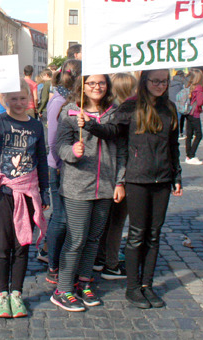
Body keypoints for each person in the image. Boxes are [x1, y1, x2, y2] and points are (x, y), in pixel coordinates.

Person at [84, 69, 182, 310]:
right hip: (137, 178)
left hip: (163, 178)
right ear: (144, 81)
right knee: (137, 234)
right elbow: (113, 132)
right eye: (155, 80)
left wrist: (177, 174)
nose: (159, 85)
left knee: (154, 234)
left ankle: (147, 285)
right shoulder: (130, 106)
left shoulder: (169, 107)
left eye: (163, 81)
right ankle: (133, 287)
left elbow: (173, 145)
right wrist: (90, 125)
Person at [0, 80, 49, 318]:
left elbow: (41, 160)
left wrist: (45, 190)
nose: (18, 103)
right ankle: (1, 295)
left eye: (22, 98)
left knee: (22, 245)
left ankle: (17, 294)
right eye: (13, 99)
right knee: (3, 245)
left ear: (29, 99)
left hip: (27, 192)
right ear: (6, 101)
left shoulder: (36, 126)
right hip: (4, 193)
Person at [50, 74, 124, 312]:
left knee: (93, 238)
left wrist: (120, 182)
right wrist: (72, 150)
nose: (96, 87)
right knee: (77, 238)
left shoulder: (115, 112)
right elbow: (58, 146)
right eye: (91, 83)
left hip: (105, 185)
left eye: (101, 83)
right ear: (82, 86)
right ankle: (63, 289)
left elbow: (121, 149)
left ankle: (84, 281)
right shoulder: (70, 112)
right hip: (77, 186)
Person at [42, 59, 81, 284]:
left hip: (68, 165)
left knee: (65, 216)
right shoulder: (59, 101)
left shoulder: (70, 99)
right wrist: (57, 166)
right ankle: (53, 263)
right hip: (57, 165)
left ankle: (52, 253)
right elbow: (53, 140)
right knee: (61, 217)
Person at [95, 72, 136, 279]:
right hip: (122, 174)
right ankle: (111, 263)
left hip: (108, 172)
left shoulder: (109, 112)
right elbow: (124, 149)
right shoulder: (124, 114)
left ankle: (99, 258)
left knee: (106, 221)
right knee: (117, 222)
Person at [183, 69, 203, 165]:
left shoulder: (189, 86)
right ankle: (192, 154)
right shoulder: (199, 87)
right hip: (195, 112)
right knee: (199, 134)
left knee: (189, 135)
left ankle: (188, 155)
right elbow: (200, 102)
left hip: (188, 112)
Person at [168, 70, 187, 138]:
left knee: (170, 119)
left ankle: (169, 133)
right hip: (177, 103)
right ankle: (178, 133)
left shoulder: (170, 83)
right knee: (177, 119)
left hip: (169, 102)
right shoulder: (181, 84)